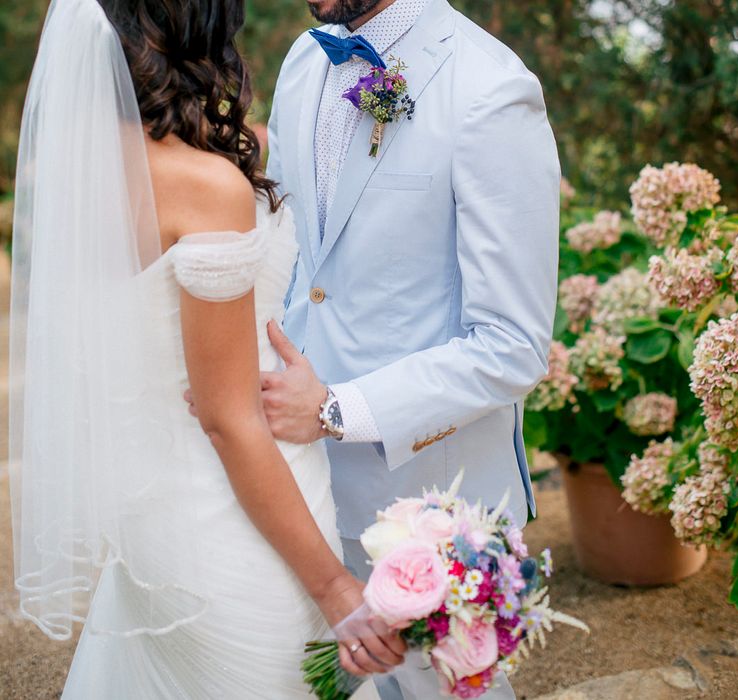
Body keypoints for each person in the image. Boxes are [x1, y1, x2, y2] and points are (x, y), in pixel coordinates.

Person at [9, 0, 403, 697]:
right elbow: (227, 418)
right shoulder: (207, 185)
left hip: (158, 509)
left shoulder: (99, 168)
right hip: (231, 514)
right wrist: (336, 588)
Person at [259, 0, 560, 697]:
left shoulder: (490, 88)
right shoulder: (304, 63)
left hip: (430, 513)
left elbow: (512, 345)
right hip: (300, 485)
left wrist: (336, 409)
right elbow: (299, 266)